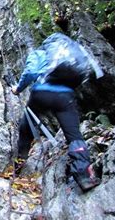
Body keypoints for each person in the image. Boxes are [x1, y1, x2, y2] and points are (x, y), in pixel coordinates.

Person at [11, 47, 101, 192]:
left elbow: (30, 72)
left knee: (26, 126)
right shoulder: (69, 53)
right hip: (65, 97)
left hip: (41, 92)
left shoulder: (40, 52)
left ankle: (20, 160)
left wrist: (18, 89)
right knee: (74, 136)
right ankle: (84, 176)